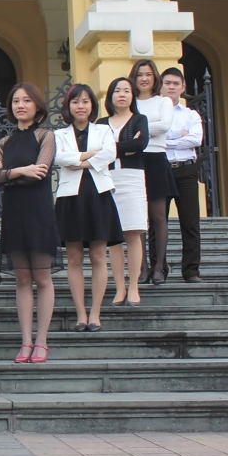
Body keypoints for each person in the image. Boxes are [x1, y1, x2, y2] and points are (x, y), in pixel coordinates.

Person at [0, 83, 59, 364]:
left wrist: (9, 174)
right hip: (14, 212)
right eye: (16, 101)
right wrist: (20, 171)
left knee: (42, 278)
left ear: (37, 106)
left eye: (27, 100)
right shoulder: (5, 142)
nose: (20, 105)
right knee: (21, 278)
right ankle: (26, 341)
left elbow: (40, 172)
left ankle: (42, 341)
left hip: (39, 210)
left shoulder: (46, 135)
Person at [54, 84, 123, 332]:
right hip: (70, 198)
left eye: (85, 101)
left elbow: (109, 154)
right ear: (68, 106)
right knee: (74, 257)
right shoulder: (59, 134)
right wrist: (89, 156)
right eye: (75, 102)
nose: (80, 106)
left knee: (97, 257)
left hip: (99, 195)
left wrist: (79, 159)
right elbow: (58, 158)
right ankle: (80, 314)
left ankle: (95, 313)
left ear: (92, 105)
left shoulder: (104, 130)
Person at [96, 77, 149, 306]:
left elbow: (141, 144)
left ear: (132, 96)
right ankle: (119, 288)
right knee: (113, 238)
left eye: (127, 91)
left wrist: (112, 149)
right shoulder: (101, 122)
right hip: (107, 179)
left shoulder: (139, 119)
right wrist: (121, 150)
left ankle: (134, 286)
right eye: (117, 90)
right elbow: (96, 151)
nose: (122, 94)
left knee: (133, 233)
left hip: (132, 178)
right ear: (110, 96)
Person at [132, 59, 176, 285]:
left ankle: (160, 266)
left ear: (154, 77)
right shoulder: (130, 103)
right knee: (139, 218)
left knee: (158, 216)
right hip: (135, 160)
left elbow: (166, 125)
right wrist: (147, 126)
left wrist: (137, 127)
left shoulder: (163, 101)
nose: (144, 78)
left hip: (157, 159)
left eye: (148, 74)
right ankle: (142, 268)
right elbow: (122, 128)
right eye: (140, 74)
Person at [161, 67, 204, 283]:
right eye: (167, 82)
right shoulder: (152, 114)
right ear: (161, 86)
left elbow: (196, 140)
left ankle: (191, 271)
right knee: (158, 222)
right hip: (161, 169)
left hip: (186, 169)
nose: (171, 86)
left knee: (190, 222)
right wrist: (179, 135)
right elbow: (152, 141)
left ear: (183, 87)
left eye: (175, 83)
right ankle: (159, 269)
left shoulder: (191, 114)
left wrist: (166, 140)